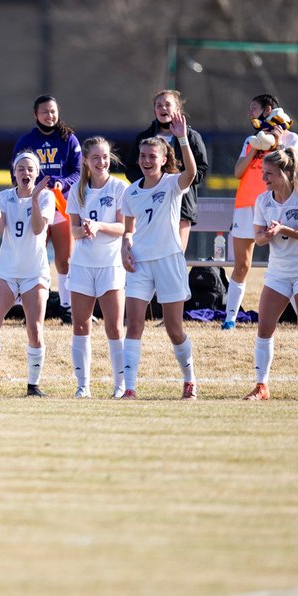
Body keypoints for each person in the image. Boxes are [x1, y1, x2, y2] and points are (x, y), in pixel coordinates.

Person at [120, 114, 199, 400]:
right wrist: (125, 247)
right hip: (140, 264)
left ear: (164, 160)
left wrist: (182, 139)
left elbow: (191, 173)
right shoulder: (131, 192)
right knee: (134, 324)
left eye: (152, 156)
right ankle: (129, 388)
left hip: (169, 260)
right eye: (143, 156)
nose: (146, 160)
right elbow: (128, 230)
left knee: (174, 329)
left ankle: (189, 380)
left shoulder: (172, 183)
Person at [243, 146, 298, 402]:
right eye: (263, 172)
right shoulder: (263, 201)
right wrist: (267, 235)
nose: (264, 178)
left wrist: (283, 229)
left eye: (269, 173)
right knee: (264, 327)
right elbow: (258, 238)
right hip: (278, 271)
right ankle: (261, 386)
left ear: (286, 173)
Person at [0, 151, 55, 398]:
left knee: (35, 328)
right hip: (7, 270)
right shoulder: (6, 196)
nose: (25, 173)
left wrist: (35, 199)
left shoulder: (46, 196)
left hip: (34, 272)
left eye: (30, 169)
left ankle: (33, 385)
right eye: (21, 169)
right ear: (14, 172)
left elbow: (38, 229)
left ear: (36, 172)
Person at [223, 95, 298, 329]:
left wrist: (277, 143)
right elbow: (238, 172)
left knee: (287, 263)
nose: (250, 114)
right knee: (242, 265)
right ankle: (229, 319)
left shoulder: (291, 138)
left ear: (268, 110)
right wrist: (254, 148)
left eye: (254, 109)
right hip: (246, 205)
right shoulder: (251, 139)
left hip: (277, 205)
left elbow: (293, 169)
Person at [66, 137, 129, 399]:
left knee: (114, 328)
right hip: (82, 265)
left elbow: (123, 227)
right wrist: (84, 230)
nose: (101, 162)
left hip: (110, 265)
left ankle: (121, 385)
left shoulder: (119, 188)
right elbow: (73, 231)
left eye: (104, 157)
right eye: (95, 158)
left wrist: (99, 225)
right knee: (81, 326)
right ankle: (83, 386)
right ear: (85, 161)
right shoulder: (77, 190)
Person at [13, 95, 82, 320]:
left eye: (53, 111)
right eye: (44, 112)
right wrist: (31, 189)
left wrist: (63, 183)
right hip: (37, 204)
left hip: (61, 205)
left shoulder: (68, 139)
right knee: (33, 255)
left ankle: (66, 307)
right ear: (35, 114)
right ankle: (29, 306)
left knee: (65, 258)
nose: (49, 115)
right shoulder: (26, 141)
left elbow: (78, 171)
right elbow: (16, 173)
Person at [125, 90, 208, 253]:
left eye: (167, 104)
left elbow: (201, 170)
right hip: (151, 203)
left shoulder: (191, 136)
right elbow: (131, 169)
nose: (163, 108)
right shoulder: (145, 137)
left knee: (176, 253)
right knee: (151, 253)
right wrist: (153, 183)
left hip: (181, 205)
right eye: (159, 105)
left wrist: (175, 183)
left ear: (177, 108)